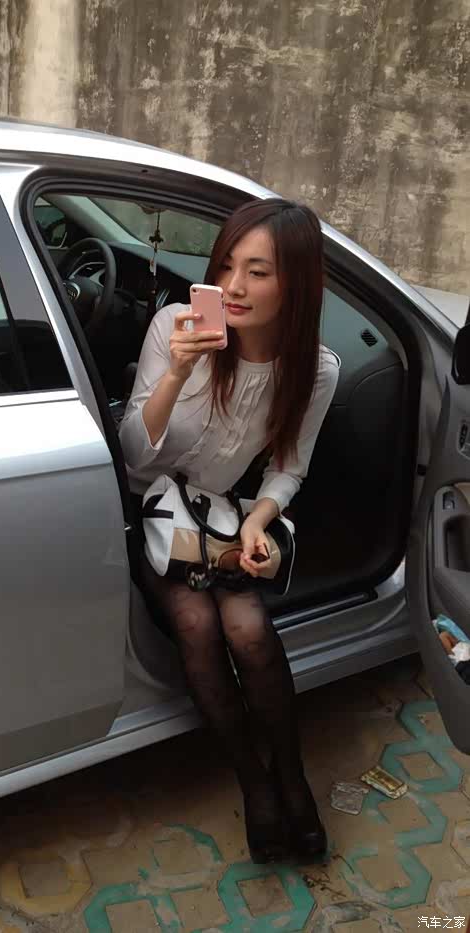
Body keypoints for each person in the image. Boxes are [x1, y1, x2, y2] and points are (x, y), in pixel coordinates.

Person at [119, 198, 340, 863]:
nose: (234, 286)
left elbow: (288, 467)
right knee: (197, 622)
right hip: (154, 512)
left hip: (221, 512)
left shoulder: (316, 369)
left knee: (247, 626)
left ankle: (291, 777)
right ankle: (253, 779)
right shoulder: (173, 327)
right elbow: (136, 459)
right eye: (226, 266)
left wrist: (260, 520)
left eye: (258, 271)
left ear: (296, 284)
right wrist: (178, 372)